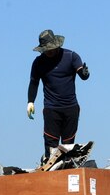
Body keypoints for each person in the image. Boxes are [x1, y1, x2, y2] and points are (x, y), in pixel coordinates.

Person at [27, 29, 91, 163]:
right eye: (46, 49)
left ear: (57, 45)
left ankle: (67, 169)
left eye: (51, 48)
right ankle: (50, 170)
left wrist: (85, 73)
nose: (49, 52)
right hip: (51, 109)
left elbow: (82, 75)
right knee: (51, 145)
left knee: (68, 145)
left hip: (70, 107)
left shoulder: (71, 56)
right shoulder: (38, 63)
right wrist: (30, 102)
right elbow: (34, 83)